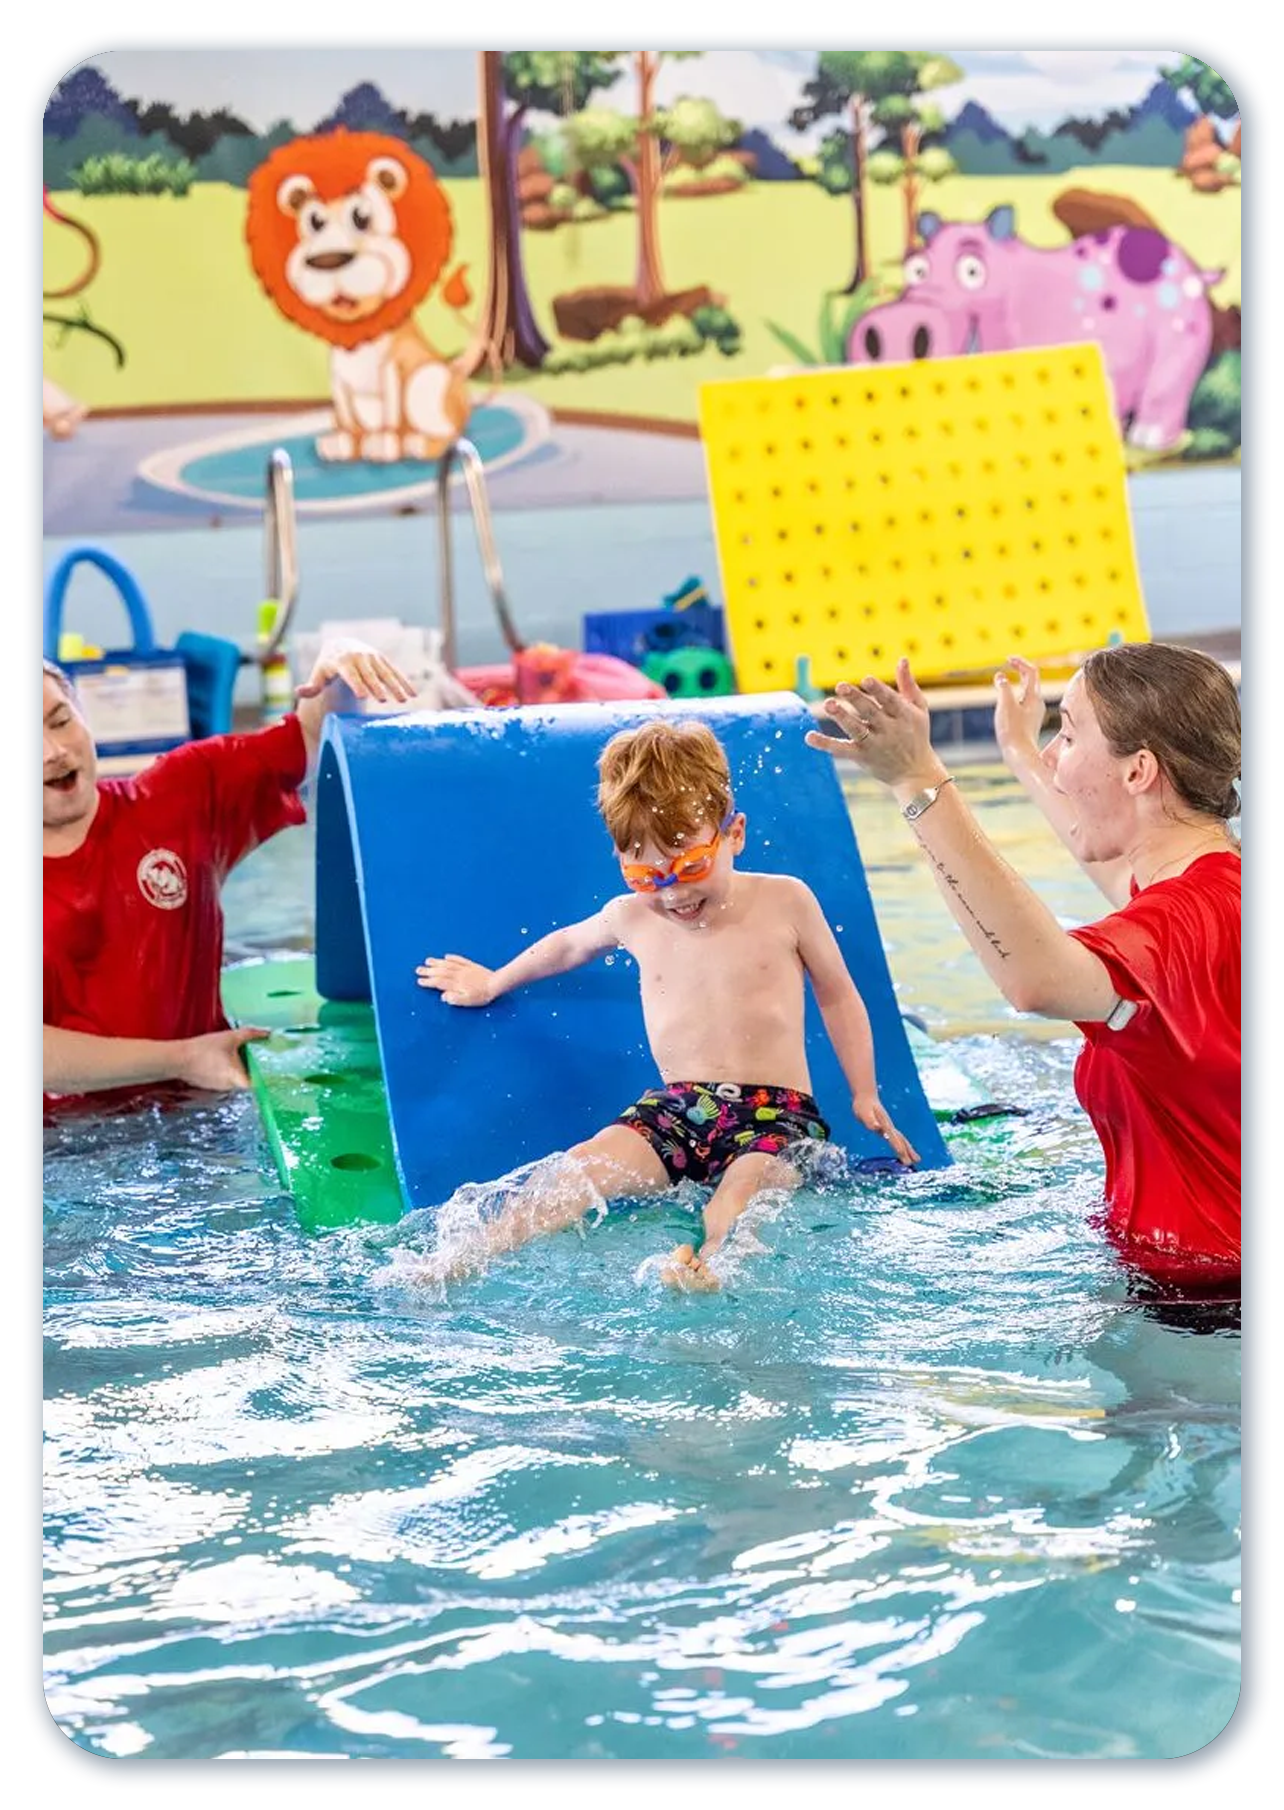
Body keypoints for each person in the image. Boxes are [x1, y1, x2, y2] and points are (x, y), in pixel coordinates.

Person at [415, 717, 918, 1291]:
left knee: (739, 1200)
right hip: (680, 1109)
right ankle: (460, 1261)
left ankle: (712, 1273)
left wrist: (864, 1091)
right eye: (645, 874)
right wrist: (494, 981)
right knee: (575, 1174)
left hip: (778, 1117)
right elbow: (567, 946)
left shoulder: (785, 901)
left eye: (690, 866)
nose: (673, 892)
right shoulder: (631, 915)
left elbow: (838, 993)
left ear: (735, 834)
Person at [806, 643, 1240, 1289]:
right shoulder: (1216, 887)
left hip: (1206, 1307)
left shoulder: (1182, 924)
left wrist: (915, 780)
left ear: (1139, 769)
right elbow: (1113, 862)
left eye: (1066, 734)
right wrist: (1015, 749)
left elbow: (1035, 979)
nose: (1055, 762)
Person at [43, 637, 417, 1100]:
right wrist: (182, 1058)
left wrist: (338, 666)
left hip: (200, 1108)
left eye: (60, 720)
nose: (53, 751)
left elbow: (312, 738)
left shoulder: (179, 797)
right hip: (62, 1142)